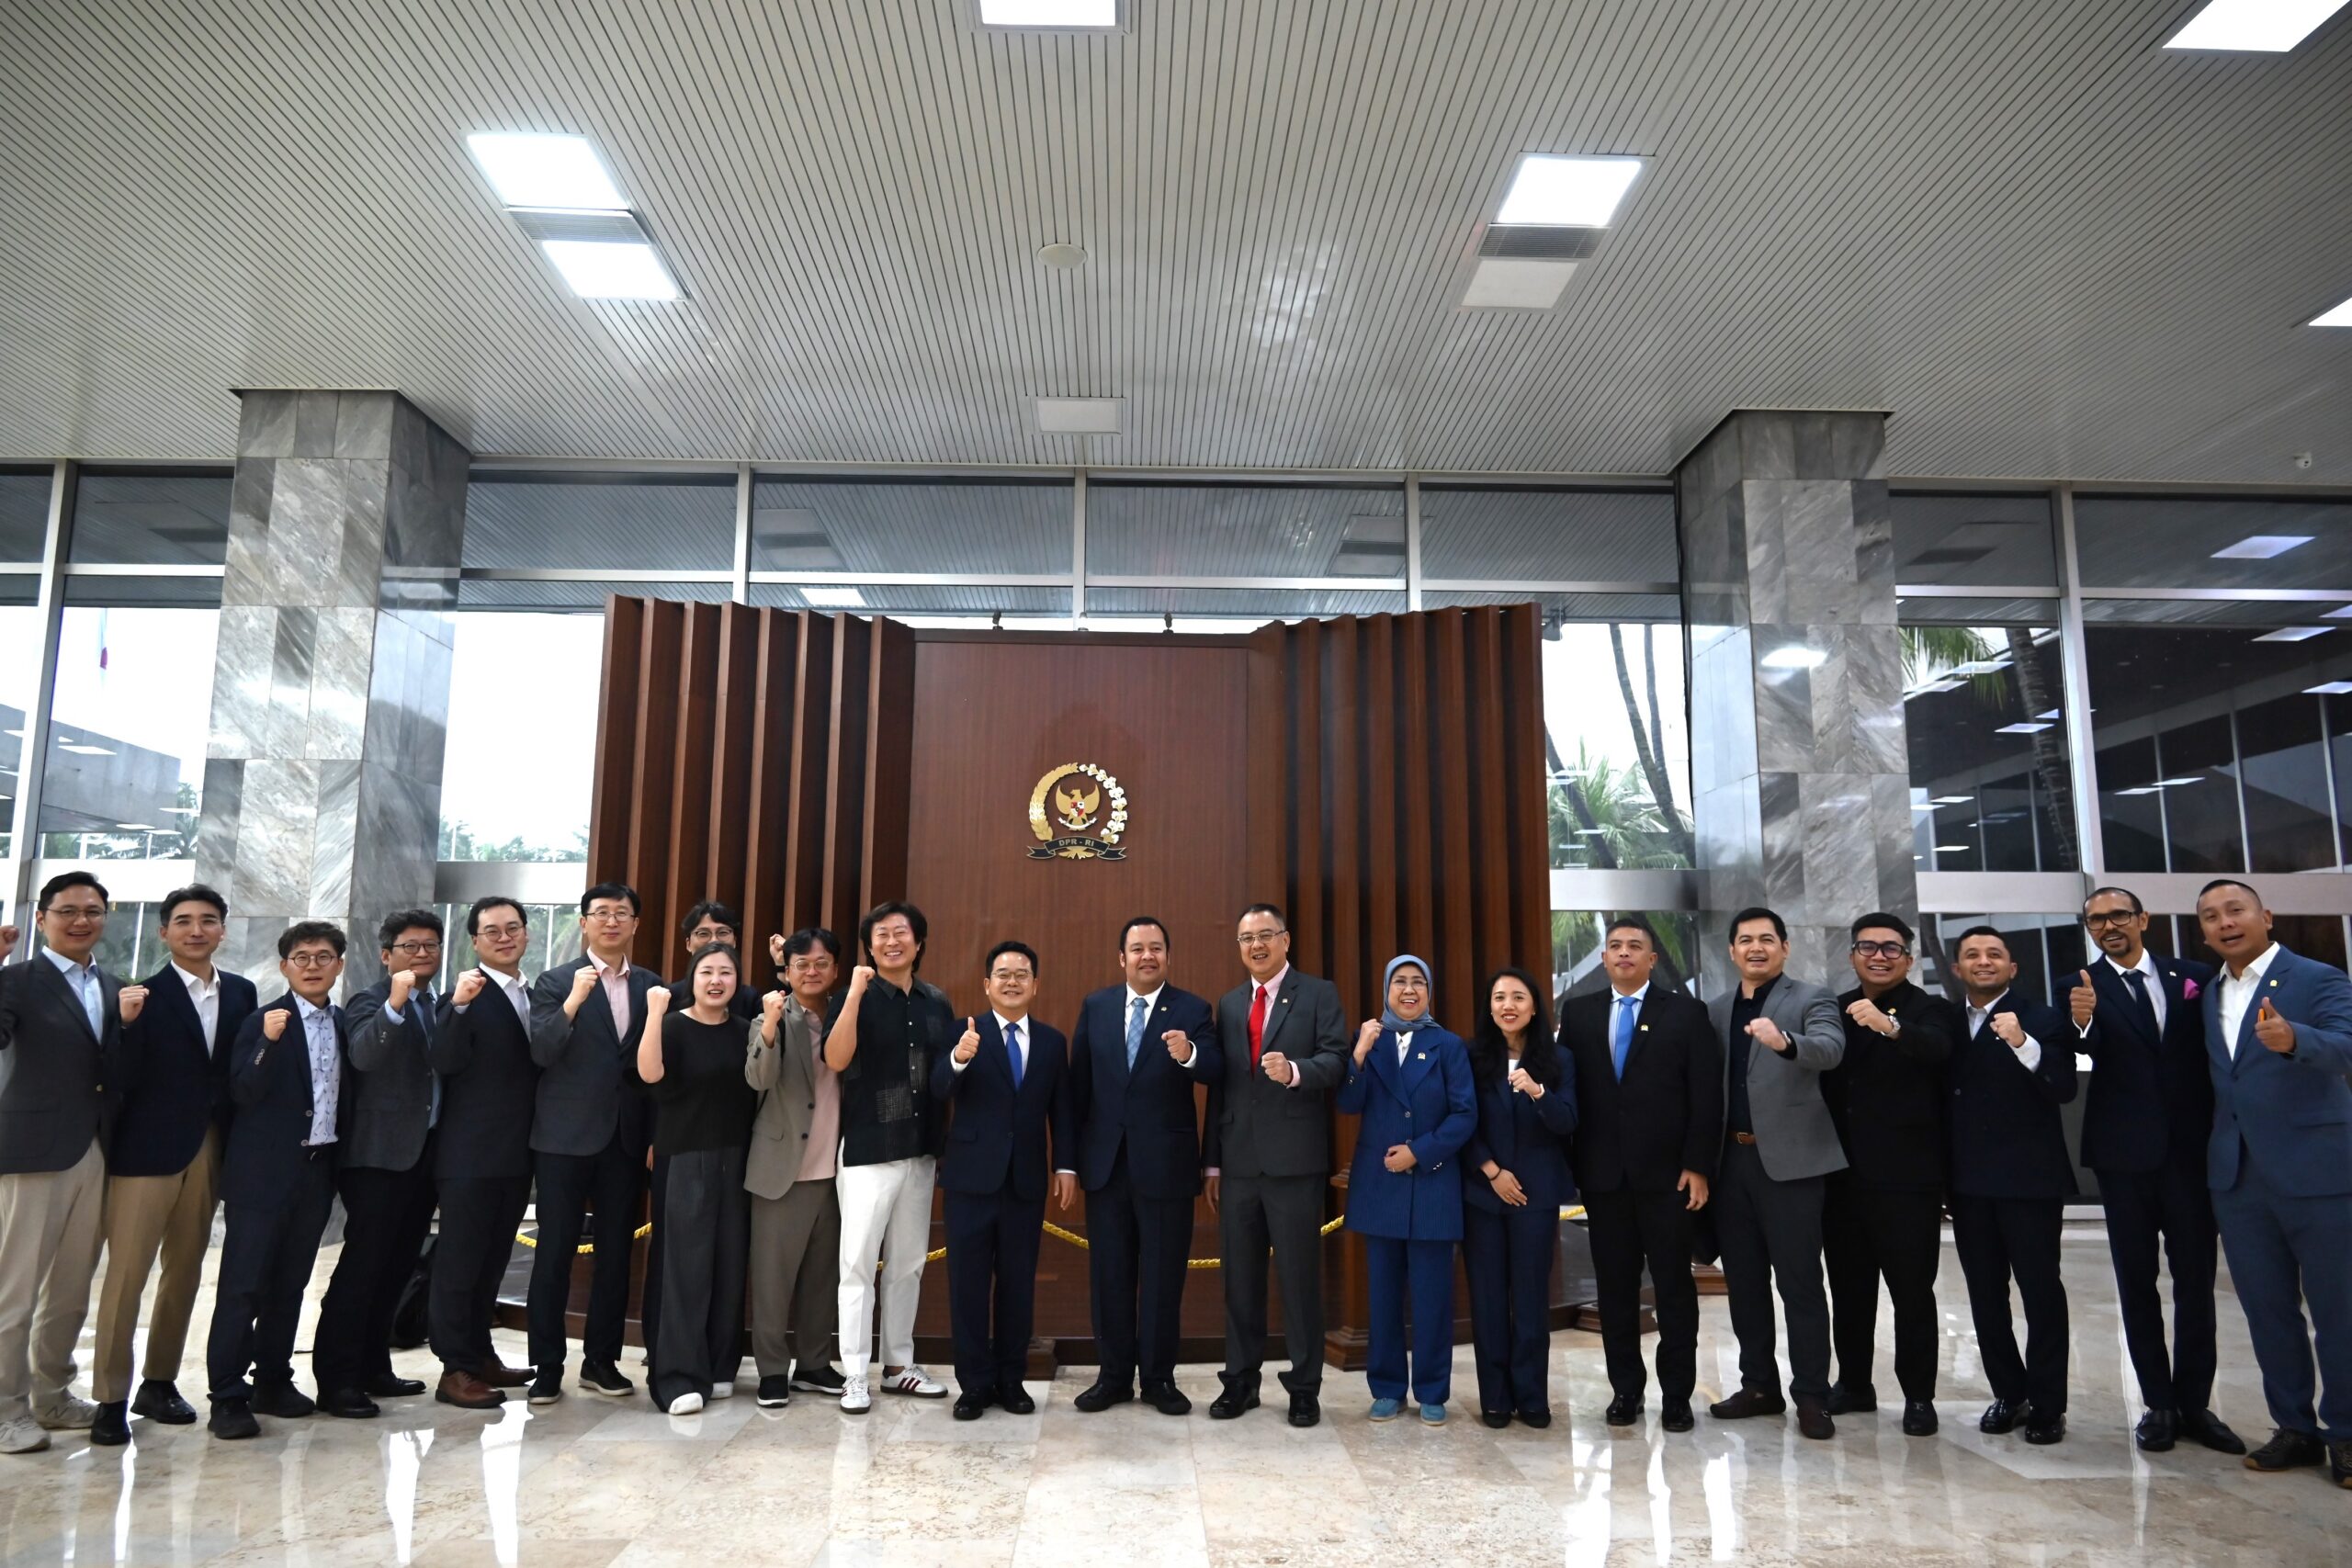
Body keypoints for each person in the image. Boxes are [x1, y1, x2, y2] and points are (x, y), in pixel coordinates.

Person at [2071, 886, 2242, 1456]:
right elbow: (2083, 1044)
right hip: (2124, 1159)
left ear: (2142, 919)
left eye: (2118, 915)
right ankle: (2159, 1404)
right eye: (2096, 920)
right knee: (2136, 1282)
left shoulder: (2193, 976)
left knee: (2196, 1283)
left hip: (2189, 1155)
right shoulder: (2082, 985)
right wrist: (2082, 1023)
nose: (2108, 926)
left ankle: (2195, 1404)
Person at [2195, 878, 2352, 1487]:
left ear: (2266, 915)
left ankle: (2346, 1431)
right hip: (2238, 1178)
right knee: (2267, 1310)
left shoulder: (2316, 978)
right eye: (2211, 916)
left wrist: (2295, 1040)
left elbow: (2347, 1044)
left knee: (2339, 1310)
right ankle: (2294, 1427)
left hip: (2318, 1171)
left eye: (2235, 910)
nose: (2225, 922)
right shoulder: (2208, 992)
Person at [90, 885, 252, 1447]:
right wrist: (127, 1025)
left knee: (184, 1270)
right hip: (145, 1154)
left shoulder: (241, 992)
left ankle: (158, 1383)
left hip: (208, 1148)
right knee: (127, 1277)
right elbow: (116, 1076)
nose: (196, 930)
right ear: (164, 932)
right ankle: (110, 1397)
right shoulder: (138, 994)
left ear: (222, 930)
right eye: (183, 921)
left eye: (208, 920)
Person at [0, 872, 145, 1455]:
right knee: (15, 1291)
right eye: (67, 911)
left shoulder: (113, 986)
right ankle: (6, 1410)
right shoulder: (16, 981)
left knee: (71, 1287)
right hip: (34, 1151)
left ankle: (52, 1395)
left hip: (97, 1150)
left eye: (93, 911)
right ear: (42, 919)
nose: (81, 920)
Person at [1558, 918, 1721, 1433]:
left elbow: (1705, 1095)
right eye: (1615, 946)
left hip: (1670, 1178)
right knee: (1615, 1290)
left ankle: (1677, 1396)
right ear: (1605, 957)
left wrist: (1698, 1165)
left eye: (1635, 946)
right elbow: (1571, 1093)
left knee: (1673, 1288)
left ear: (1652, 959)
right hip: (1604, 1179)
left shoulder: (1686, 1013)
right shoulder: (1579, 1013)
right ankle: (1625, 1390)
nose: (1624, 953)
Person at [1069, 916, 1221, 1416]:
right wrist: (1069, 1162)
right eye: (1137, 948)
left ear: (1168, 957)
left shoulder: (1193, 1009)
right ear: (1122, 958)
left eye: (1156, 948)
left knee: (1162, 1278)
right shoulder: (1096, 1006)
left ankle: (1158, 1379)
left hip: (1167, 1169)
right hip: (1106, 1166)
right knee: (1109, 1275)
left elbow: (1216, 1070)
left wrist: (1189, 1053)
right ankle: (1112, 1377)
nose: (1147, 956)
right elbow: (1078, 1088)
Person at [1703, 907, 1846, 1439]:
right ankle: (1759, 1385)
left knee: (1800, 1283)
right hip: (1731, 1164)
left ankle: (1811, 1395)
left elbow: (1830, 1050)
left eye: (1767, 939)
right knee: (1744, 1284)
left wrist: (1785, 1041)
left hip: (1793, 1165)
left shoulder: (1812, 998)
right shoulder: (1717, 1009)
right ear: (1732, 951)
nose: (1756, 948)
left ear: (1785, 947)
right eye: (1746, 940)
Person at [1204, 902, 1347, 1427]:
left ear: (1286, 940)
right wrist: (1213, 1165)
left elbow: (1336, 1060)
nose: (1257, 946)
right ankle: (1240, 1382)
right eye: (1247, 939)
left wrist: (1295, 1071)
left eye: (1266, 935)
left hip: (1294, 1163)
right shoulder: (1229, 1003)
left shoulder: (1318, 994)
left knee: (1299, 1281)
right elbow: (1222, 1089)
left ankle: (1304, 1388)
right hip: (1239, 1163)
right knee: (1239, 1281)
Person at [204, 922, 349, 1439]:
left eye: (324, 956)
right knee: (243, 1287)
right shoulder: (263, 1020)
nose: (313, 966)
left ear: (340, 965)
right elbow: (243, 1090)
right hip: (262, 1176)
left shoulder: (344, 1023)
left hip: (316, 1171)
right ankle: (227, 1394)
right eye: (301, 957)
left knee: (290, 1285)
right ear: (284, 966)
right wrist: (267, 1042)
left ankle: (272, 1380)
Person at [1822, 913, 1958, 1437]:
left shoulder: (1932, 1009)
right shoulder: (1834, 1009)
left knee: (1912, 1293)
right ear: (1852, 955)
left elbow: (1937, 1049)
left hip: (1907, 1180)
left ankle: (1919, 1396)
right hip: (1842, 1179)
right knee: (1849, 1290)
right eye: (1868, 947)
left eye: (1890, 948)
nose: (1879, 956)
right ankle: (1855, 1383)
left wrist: (1888, 1025)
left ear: (1908, 957)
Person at [526, 882, 659, 1405]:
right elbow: (542, 1051)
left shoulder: (651, 986)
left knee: (615, 1257)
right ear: (583, 923)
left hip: (624, 1140)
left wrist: (653, 1136)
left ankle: (601, 1361)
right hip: (563, 1139)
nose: (611, 921)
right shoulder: (556, 982)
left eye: (621, 913)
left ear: (635, 924)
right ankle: (546, 1366)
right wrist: (575, 1001)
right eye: (600, 913)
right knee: (554, 1253)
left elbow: (652, 1069)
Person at [932, 941, 1077, 1419]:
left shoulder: (1052, 1041)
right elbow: (938, 1088)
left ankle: (1012, 1380)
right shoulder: (962, 1031)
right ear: (986, 984)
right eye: (1003, 974)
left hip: (1025, 1183)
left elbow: (1062, 1111)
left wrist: (1065, 1166)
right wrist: (958, 1058)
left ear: (1035, 985)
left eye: (1021, 974)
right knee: (968, 1286)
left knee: (1017, 1285)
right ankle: (974, 1384)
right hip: (969, 1181)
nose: (1012, 981)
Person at [1946, 924, 2076, 1446]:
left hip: (2030, 1181)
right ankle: (2009, 1392)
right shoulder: (1948, 1023)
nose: (1984, 961)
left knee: (2041, 1292)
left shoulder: (2043, 1018)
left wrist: (2022, 1043)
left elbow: (2062, 1087)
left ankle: (2048, 1404)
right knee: (1985, 1295)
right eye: (1972, 955)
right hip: (1969, 1184)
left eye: (1994, 954)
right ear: (1957, 968)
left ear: (2012, 967)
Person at [311, 909, 444, 1419]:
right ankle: (336, 1379)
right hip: (376, 1157)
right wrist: (395, 1002)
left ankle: (373, 1367)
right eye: (410, 946)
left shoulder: (438, 1005)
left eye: (430, 945)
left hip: (423, 1156)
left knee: (397, 1266)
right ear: (386, 955)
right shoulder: (369, 1001)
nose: (421, 954)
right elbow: (365, 1056)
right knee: (363, 1268)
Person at [824, 901, 954, 1412]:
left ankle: (899, 1365)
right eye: (881, 934)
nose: (892, 941)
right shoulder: (850, 996)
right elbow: (835, 1059)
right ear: (870, 946)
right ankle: (855, 1373)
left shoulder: (936, 1001)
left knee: (907, 1264)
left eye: (902, 933)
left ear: (918, 944)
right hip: (868, 1150)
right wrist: (855, 994)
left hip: (920, 1150)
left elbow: (943, 1074)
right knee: (857, 1265)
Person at [1337, 956, 1475, 1424]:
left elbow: (1465, 1115)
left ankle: (1433, 1390)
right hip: (1380, 1188)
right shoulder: (1369, 1041)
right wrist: (1358, 1053)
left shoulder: (1448, 1045)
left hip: (1433, 1185)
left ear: (1429, 992)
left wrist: (1419, 1151)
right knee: (1383, 1298)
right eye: (1400, 982)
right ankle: (1387, 1388)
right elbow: (1347, 1103)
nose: (1409, 990)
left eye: (1418, 982)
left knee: (1434, 1300)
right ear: (1386, 990)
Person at [641, 899, 770, 1360]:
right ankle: (678, 1365)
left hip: (736, 1154)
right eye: (707, 971)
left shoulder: (747, 1026)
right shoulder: (670, 1021)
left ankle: (719, 1362)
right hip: (683, 1153)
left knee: (729, 1260)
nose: (716, 980)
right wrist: (653, 1014)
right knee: (684, 1263)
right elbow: (649, 1075)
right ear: (691, 976)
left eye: (726, 972)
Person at [426, 897, 541, 1408]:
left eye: (512, 928)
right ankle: (454, 1368)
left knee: (492, 1261)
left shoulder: (531, 994)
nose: (504, 937)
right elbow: (445, 1060)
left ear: (526, 935)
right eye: (492, 930)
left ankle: (480, 1355)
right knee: (459, 1264)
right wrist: (458, 1006)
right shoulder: (464, 994)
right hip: (469, 1155)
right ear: (475, 940)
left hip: (516, 1155)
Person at [1463, 966, 1577, 1428]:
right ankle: (1495, 1398)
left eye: (1517, 997)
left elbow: (1567, 1121)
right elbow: (1459, 1121)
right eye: (1499, 997)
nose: (1507, 1005)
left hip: (1536, 1195)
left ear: (1533, 1007)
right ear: (1489, 1008)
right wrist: (1491, 1171)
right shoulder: (1470, 1057)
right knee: (1488, 1298)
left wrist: (1538, 1092)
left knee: (1530, 1298)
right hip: (1483, 1194)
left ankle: (1531, 1396)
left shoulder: (1559, 1059)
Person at [742, 927, 848, 1407]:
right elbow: (758, 1077)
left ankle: (813, 1363)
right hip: (783, 1169)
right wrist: (768, 1025)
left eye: (821, 963)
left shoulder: (845, 1014)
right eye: (801, 964)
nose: (812, 971)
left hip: (838, 1173)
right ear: (787, 971)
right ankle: (771, 1370)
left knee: (823, 1279)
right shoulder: (771, 1017)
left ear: (836, 969)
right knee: (773, 1279)